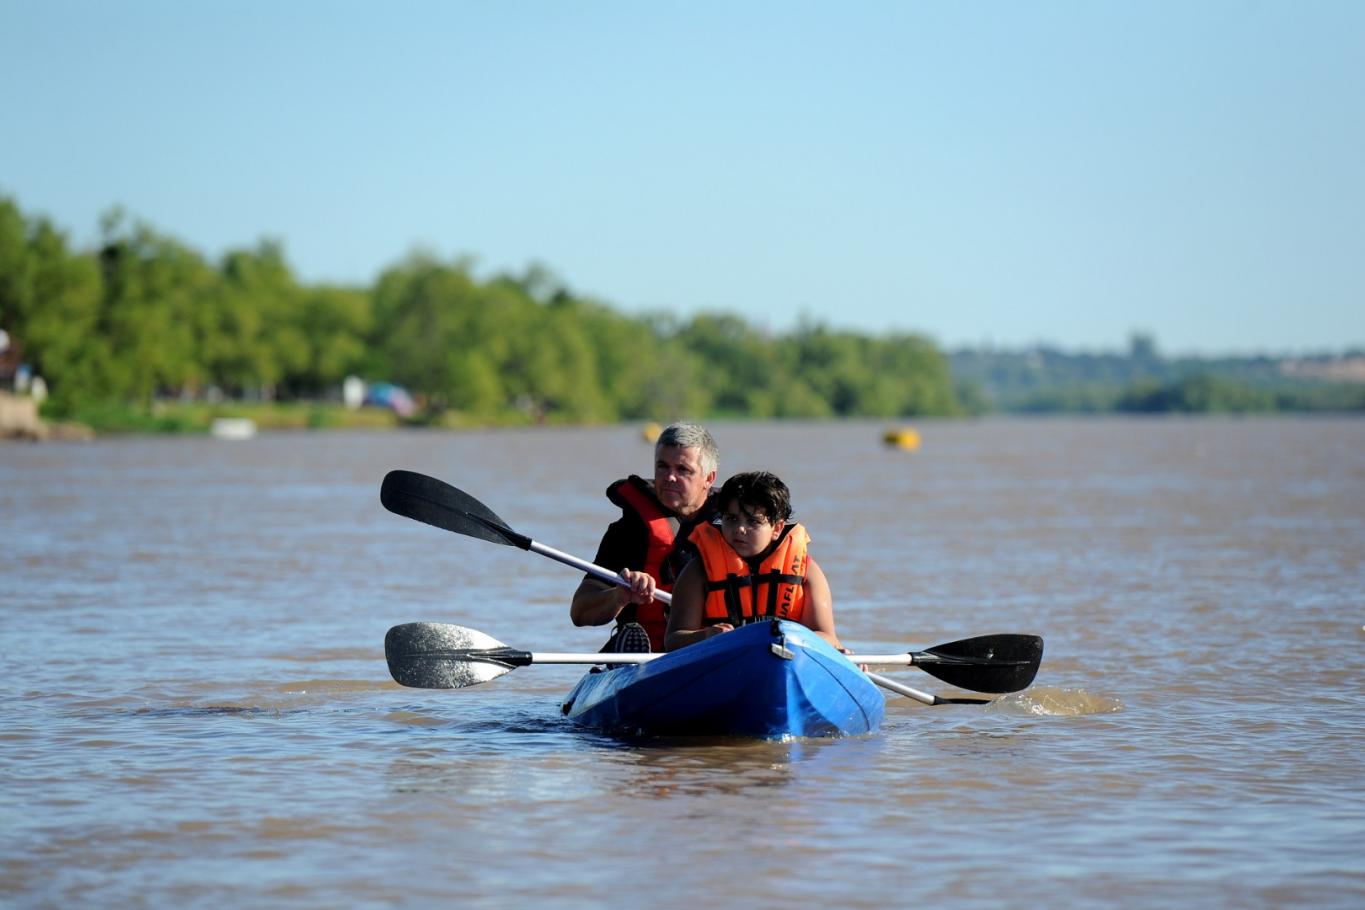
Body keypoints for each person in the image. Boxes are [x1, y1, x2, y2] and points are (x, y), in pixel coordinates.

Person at [570, 422, 720, 652]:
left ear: (709, 478)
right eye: (662, 466)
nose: (670, 477)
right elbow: (579, 612)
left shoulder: (737, 528)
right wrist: (619, 596)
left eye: (683, 469)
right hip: (646, 656)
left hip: (716, 648)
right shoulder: (629, 531)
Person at [664, 471, 843, 652]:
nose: (740, 529)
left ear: (777, 528)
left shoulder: (807, 571)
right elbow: (673, 639)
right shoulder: (698, 570)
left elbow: (828, 637)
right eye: (731, 519)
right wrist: (707, 636)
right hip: (722, 659)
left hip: (787, 657)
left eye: (753, 521)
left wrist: (789, 638)